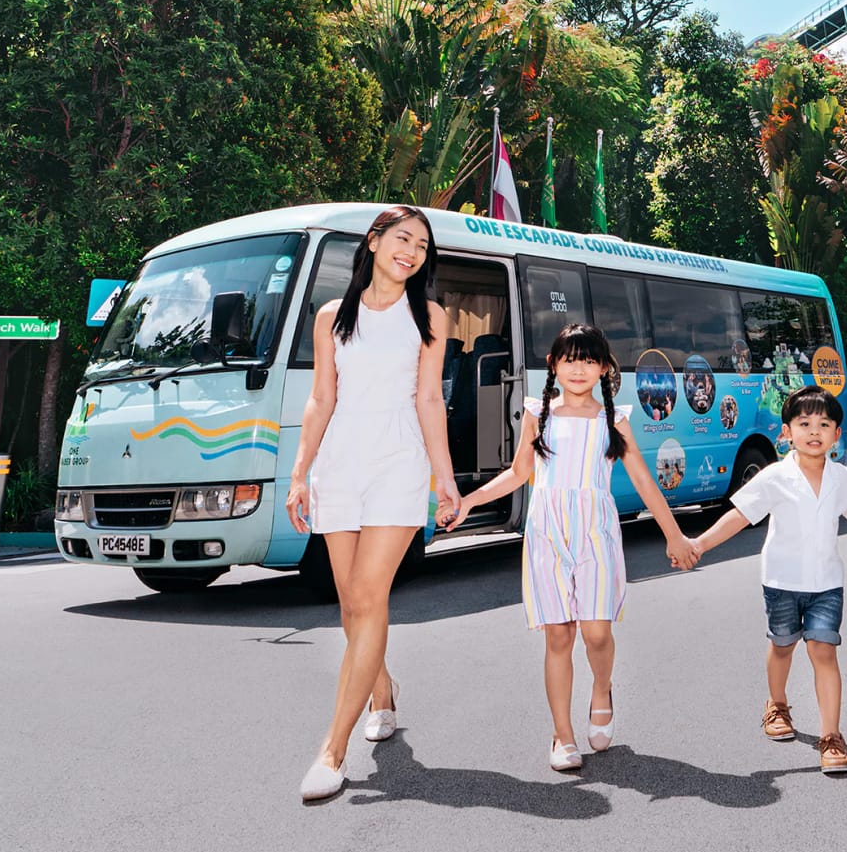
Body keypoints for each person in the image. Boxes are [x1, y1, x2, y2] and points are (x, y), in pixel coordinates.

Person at [447, 323, 698, 770]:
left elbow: (642, 478)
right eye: (569, 359)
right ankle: (562, 736)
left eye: (588, 360)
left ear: (604, 367)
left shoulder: (613, 418)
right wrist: (471, 501)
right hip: (547, 533)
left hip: (596, 532)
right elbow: (518, 473)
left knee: (596, 632)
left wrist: (673, 533)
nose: (578, 369)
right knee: (558, 635)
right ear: (553, 365)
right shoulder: (537, 413)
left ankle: (601, 687)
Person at [284, 205, 460, 802]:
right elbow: (319, 400)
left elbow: (430, 400)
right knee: (349, 607)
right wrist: (300, 473)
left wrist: (445, 479)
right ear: (375, 241)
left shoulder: (429, 317)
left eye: (422, 245)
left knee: (368, 596)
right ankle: (381, 692)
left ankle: (332, 752)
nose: (411, 251)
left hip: (397, 463)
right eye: (403, 239)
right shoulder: (333, 316)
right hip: (340, 464)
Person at [689, 386, 847, 774]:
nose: (814, 431)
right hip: (782, 582)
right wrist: (699, 544)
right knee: (783, 645)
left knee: (823, 650)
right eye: (804, 423)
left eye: (824, 424)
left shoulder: (839, 478)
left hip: (826, 583)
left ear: (837, 435)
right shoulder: (775, 477)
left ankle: (831, 736)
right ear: (787, 431)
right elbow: (739, 516)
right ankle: (776, 704)